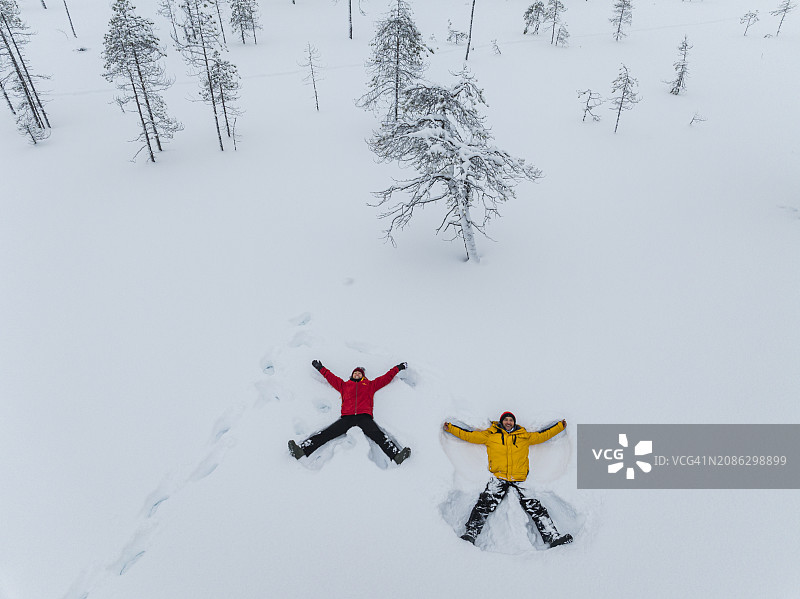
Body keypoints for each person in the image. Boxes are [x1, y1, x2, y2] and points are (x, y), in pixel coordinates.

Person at [443, 411, 573, 548]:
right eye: (506, 420)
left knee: (535, 508)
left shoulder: (524, 436)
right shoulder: (491, 435)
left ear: (514, 422)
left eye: (511, 420)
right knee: (485, 504)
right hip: (499, 477)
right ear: (501, 422)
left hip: (520, 478)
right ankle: (471, 534)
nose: (508, 422)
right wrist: (450, 428)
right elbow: (469, 436)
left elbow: (543, 436)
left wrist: (559, 427)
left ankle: (553, 537)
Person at [288, 360, 411, 465]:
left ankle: (397, 456)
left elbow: (386, 378)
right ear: (352, 375)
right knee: (327, 433)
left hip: (364, 417)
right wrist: (321, 368)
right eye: (355, 372)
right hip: (347, 417)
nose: (357, 374)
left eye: (359, 373)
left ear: (362, 375)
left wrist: (398, 368)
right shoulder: (344, 385)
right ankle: (301, 450)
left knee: (379, 436)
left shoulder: (370, 385)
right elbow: (331, 378)